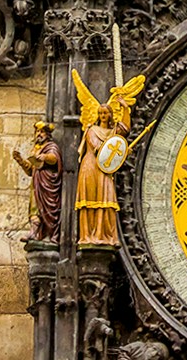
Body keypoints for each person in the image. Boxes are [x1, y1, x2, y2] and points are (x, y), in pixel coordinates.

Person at [72, 72, 146, 246]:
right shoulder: (91, 130)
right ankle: (88, 235)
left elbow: (125, 129)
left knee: (106, 199)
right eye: (101, 113)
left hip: (105, 170)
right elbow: (100, 149)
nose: (104, 115)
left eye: (106, 113)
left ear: (111, 115)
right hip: (91, 166)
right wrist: (116, 151)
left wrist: (124, 107)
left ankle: (104, 234)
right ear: (98, 115)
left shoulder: (113, 131)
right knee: (90, 199)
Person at [12, 121, 63, 243]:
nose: (39, 134)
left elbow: (55, 159)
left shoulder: (51, 146)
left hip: (48, 182)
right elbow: (30, 170)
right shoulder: (35, 149)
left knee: (49, 209)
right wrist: (20, 161)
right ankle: (34, 233)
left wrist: (45, 157)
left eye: (42, 132)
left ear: (47, 134)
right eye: (37, 132)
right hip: (36, 182)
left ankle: (52, 235)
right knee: (34, 207)